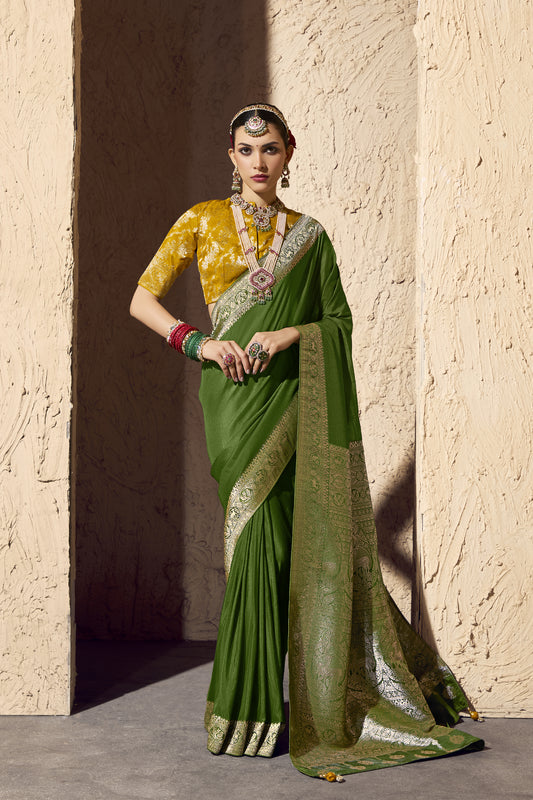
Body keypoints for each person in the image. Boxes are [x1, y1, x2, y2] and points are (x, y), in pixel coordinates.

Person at [130, 103, 484, 780]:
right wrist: (200, 343)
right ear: (229, 157)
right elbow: (142, 298)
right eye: (244, 149)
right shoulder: (201, 221)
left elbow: (337, 322)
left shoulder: (310, 236)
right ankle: (242, 708)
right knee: (254, 552)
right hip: (234, 405)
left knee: (296, 556)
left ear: (288, 152)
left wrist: (290, 334)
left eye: (269, 148)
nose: (257, 161)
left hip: (297, 401)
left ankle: (271, 710)